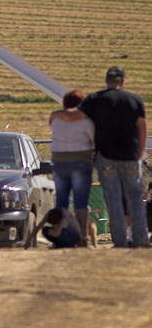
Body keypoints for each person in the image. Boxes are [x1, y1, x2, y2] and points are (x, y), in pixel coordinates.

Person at [52, 66, 148, 247]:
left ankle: (119, 242)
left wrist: (57, 114)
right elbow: (142, 128)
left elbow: (76, 115)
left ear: (107, 82)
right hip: (130, 157)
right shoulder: (134, 100)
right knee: (135, 199)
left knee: (113, 200)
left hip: (106, 158)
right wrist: (139, 154)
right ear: (123, 81)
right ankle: (141, 240)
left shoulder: (96, 99)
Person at [48, 89, 95, 246]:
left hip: (59, 161)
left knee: (61, 201)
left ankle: (60, 235)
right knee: (81, 202)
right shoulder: (86, 121)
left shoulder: (56, 120)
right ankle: (83, 237)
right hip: (81, 162)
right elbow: (92, 140)